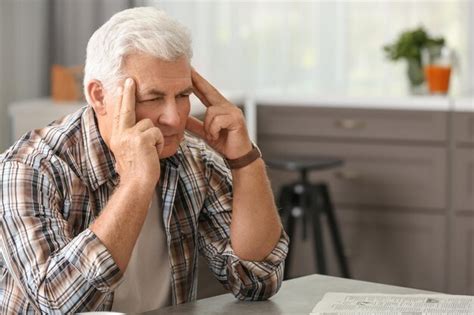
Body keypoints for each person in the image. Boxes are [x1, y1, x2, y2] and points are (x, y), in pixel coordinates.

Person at [0, 7, 288, 314]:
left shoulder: (193, 159)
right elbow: (57, 304)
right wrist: (136, 182)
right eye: (152, 98)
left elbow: (257, 281)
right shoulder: (27, 169)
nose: (175, 118)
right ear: (98, 96)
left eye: (182, 95)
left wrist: (245, 160)